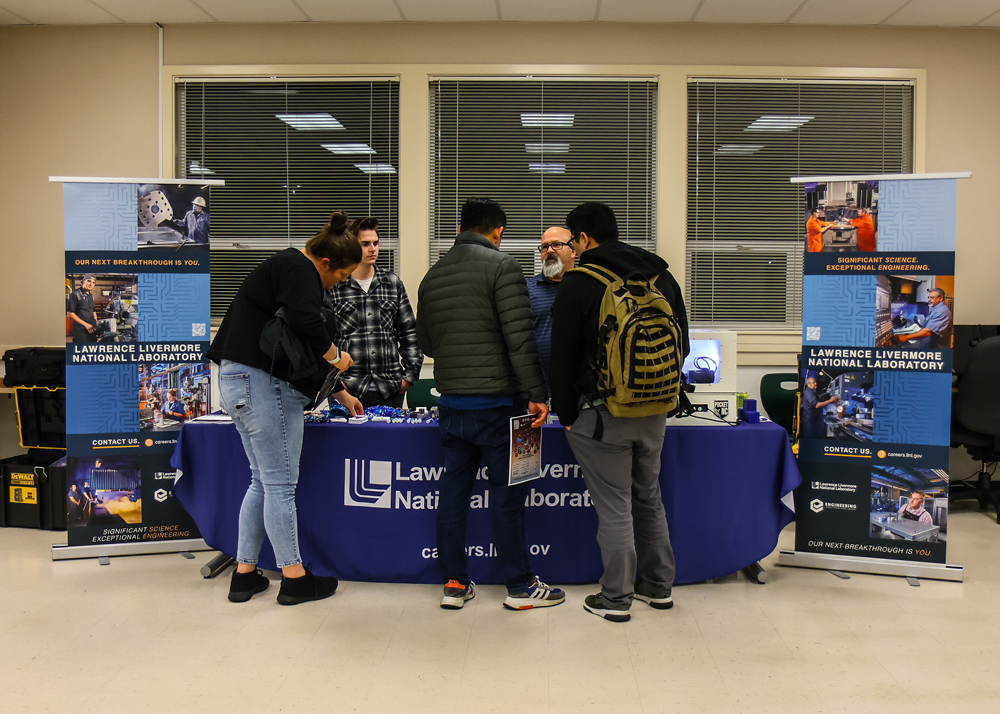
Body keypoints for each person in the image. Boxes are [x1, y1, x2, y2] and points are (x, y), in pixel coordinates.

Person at [207, 211, 364, 606]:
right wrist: (336, 357)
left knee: (261, 480)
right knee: (280, 485)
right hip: (262, 384)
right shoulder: (300, 268)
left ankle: (244, 575)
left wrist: (340, 391)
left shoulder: (283, 266)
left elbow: (292, 340)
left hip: (236, 380)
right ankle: (294, 578)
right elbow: (306, 322)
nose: (337, 284)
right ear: (326, 262)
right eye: (341, 276)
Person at [416, 197, 563, 611]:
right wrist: (538, 396)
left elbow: (426, 342)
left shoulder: (434, 274)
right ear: (497, 232)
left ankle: (455, 584)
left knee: (453, 495)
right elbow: (520, 342)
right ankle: (518, 587)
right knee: (509, 496)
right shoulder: (503, 268)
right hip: (503, 407)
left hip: (453, 406)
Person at [550, 201, 688, 623]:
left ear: (584, 239)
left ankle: (616, 598)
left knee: (613, 505)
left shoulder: (580, 282)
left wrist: (567, 413)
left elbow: (562, 357)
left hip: (602, 414)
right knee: (648, 496)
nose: (570, 249)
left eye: (571, 241)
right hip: (656, 410)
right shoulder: (660, 275)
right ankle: (658, 587)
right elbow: (681, 341)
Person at [324, 217, 423, 409]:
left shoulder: (392, 283)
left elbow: (410, 333)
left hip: (389, 387)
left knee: (389, 440)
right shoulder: (336, 285)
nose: (373, 249)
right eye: (365, 244)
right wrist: (336, 385)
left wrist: (408, 378)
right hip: (348, 387)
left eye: (376, 243)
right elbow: (324, 338)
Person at [528, 226, 576, 391]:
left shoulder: (584, 289)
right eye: (544, 247)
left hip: (578, 393)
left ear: (573, 251)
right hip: (535, 392)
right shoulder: (526, 290)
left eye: (556, 244)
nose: (549, 250)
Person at [67, 275, 98, 343]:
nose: (91, 284)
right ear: (83, 281)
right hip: (80, 331)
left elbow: (93, 311)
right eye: (89, 281)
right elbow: (70, 313)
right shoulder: (75, 295)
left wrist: (96, 323)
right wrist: (86, 325)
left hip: (92, 329)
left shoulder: (91, 296)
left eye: (93, 282)